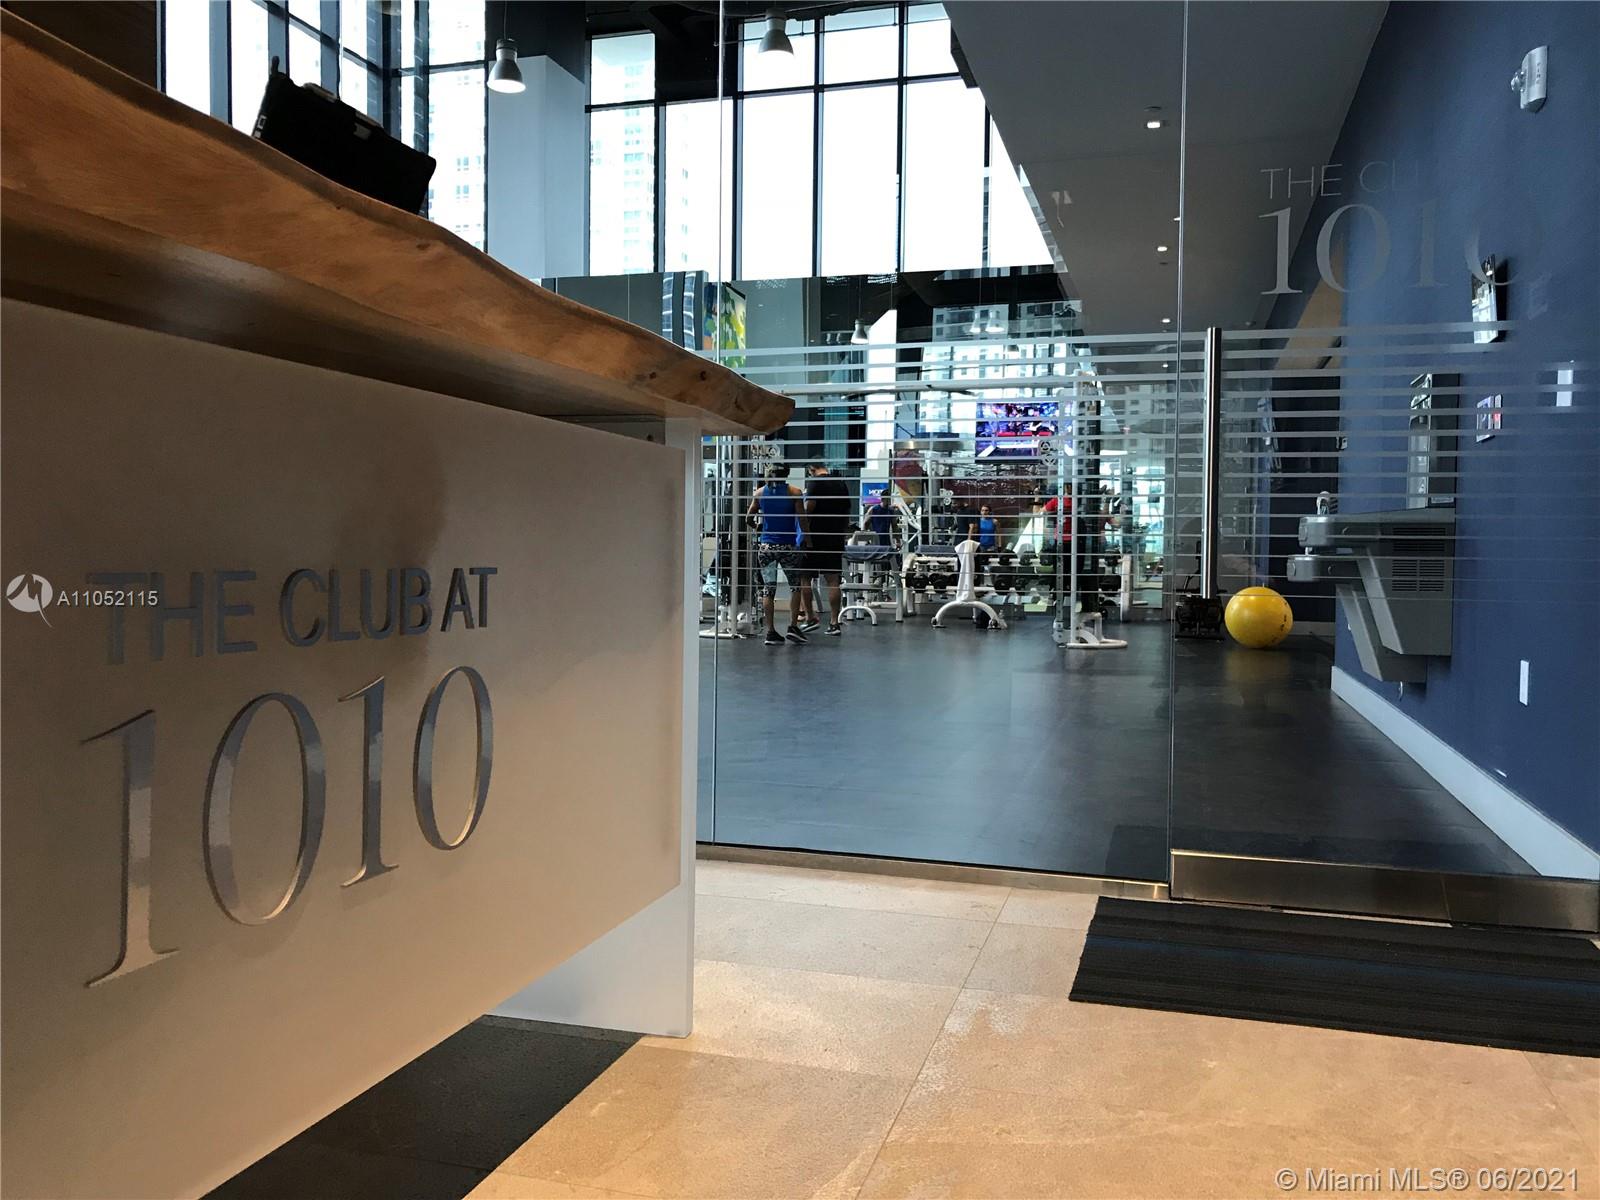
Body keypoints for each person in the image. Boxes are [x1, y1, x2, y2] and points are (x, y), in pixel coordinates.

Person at [746, 464, 810, 645]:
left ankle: (771, 632)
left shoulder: (759, 493)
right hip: (788, 546)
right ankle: (793, 627)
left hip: (767, 547)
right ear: (786, 474)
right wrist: (808, 541)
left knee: (769, 589)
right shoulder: (794, 492)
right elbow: (802, 519)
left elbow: (748, 518)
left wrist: (758, 528)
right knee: (795, 586)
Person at [804, 463, 852, 635]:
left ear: (812, 469)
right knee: (833, 580)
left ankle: (810, 618)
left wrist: (802, 525)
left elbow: (809, 508)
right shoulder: (840, 483)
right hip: (834, 537)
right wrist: (842, 532)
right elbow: (847, 510)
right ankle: (834, 622)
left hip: (814, 538)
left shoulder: (814, 483)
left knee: (805, 578)